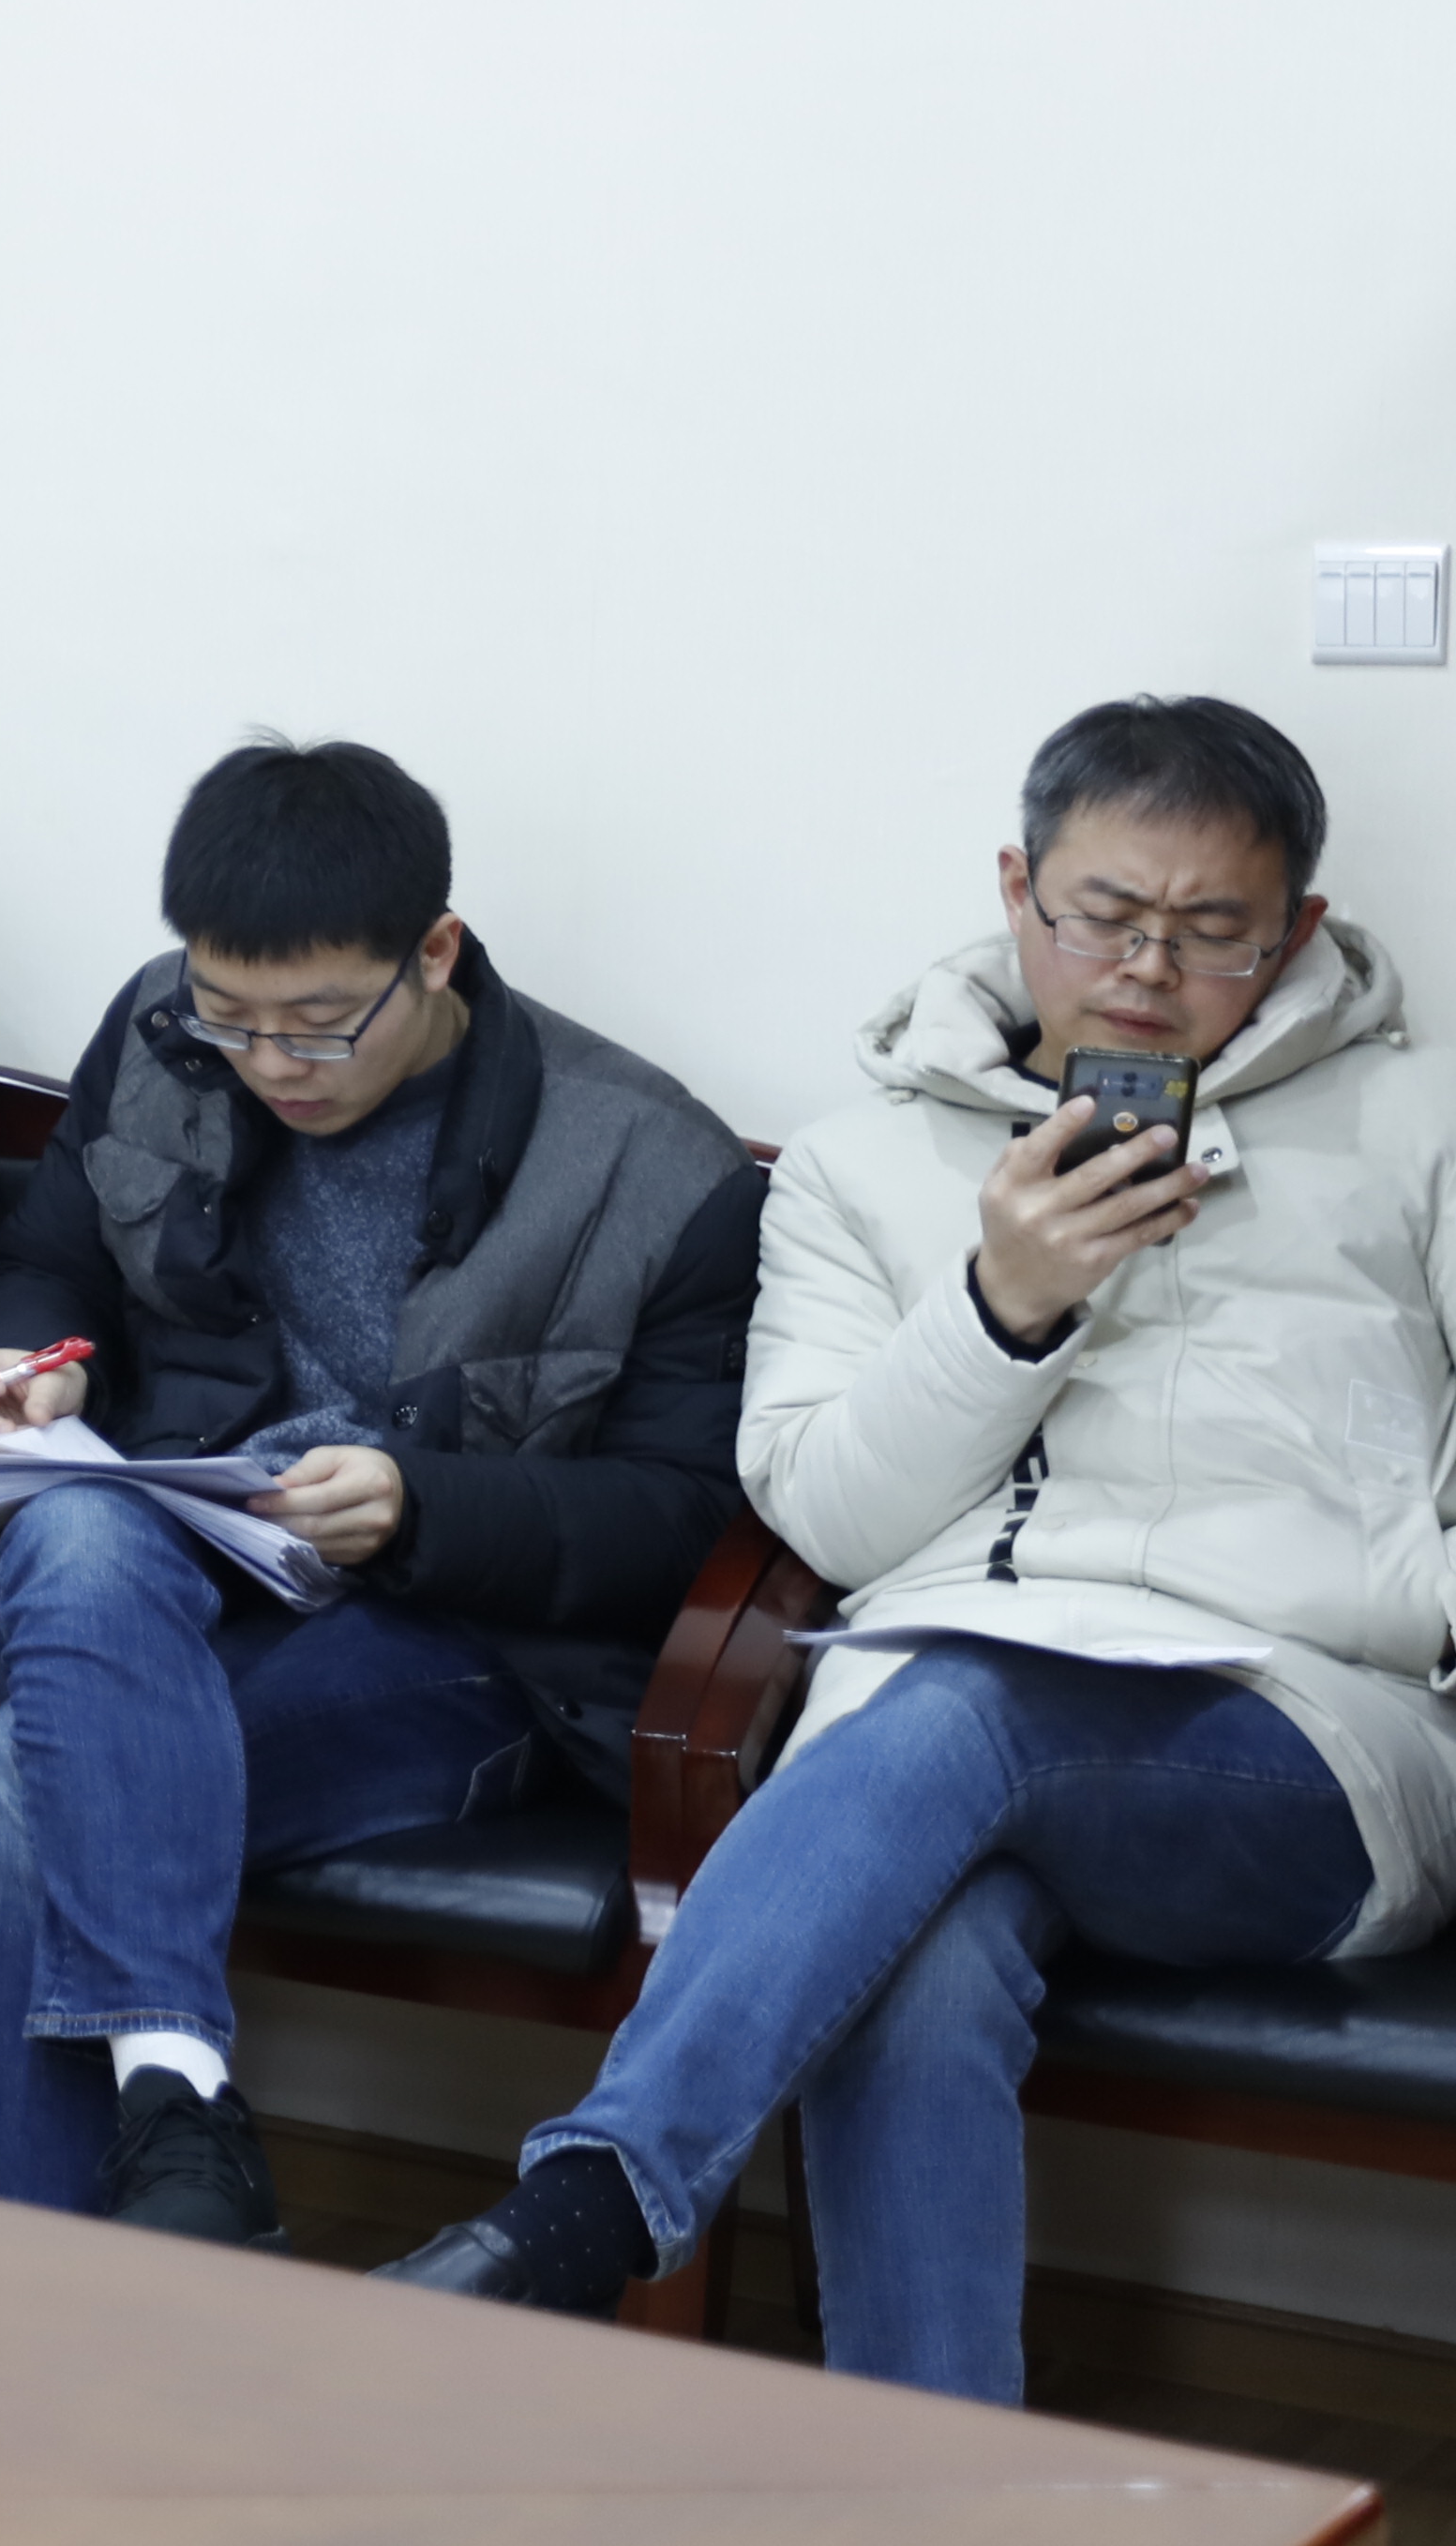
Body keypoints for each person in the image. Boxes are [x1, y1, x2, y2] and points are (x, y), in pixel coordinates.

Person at [386, 701, 1456, 2396]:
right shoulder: (857, 1166)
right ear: (1020, 890)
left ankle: (592, 2201)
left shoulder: (1421, 1133)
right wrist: (1002, 1305)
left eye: (1213, 931)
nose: (1149, 970)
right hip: (937, 1740)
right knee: (923, 1954)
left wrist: (1407, 1609)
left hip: (1309, 1740)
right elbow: (825, 1514)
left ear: (1300, 928)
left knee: (964, 1710)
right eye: (1107, 915)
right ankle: (931, 2491)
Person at [0, 741, 758, 2248]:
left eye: (319, 1026)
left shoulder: (651, 1165)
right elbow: (49, 1257)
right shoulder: (160, 1033)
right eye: (230, 1016)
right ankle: (178, 2112)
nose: (271, 1064)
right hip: (180, 1577)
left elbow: (682, 1514)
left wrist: (421, 1507)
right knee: (74, 1519)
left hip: (465, 1642)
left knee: (29, 1776)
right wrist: (33, 1360)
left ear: (434, 952)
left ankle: (65, 2283)